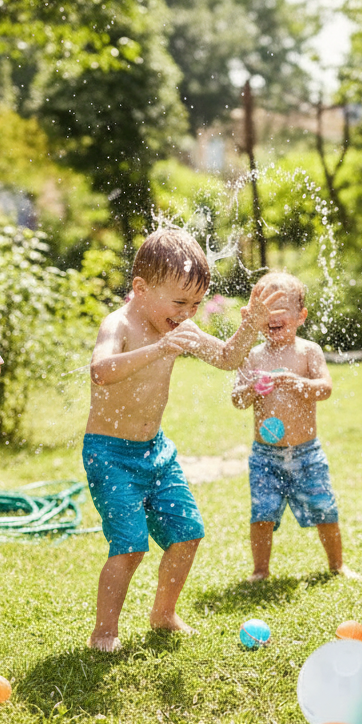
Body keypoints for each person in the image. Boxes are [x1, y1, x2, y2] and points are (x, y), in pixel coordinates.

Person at [83, 228, 284, 651]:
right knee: (130, 544)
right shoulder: (118, 324)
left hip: (155, 450)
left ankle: (163, 613)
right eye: (179, 303)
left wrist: (249, 326)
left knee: (187, 533)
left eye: (195, 304)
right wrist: (159, 349)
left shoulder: (180, 328)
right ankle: (104, 631)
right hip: (110, 453)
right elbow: (101, 370)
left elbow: (229, 358)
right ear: (140, 288)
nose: (188, 314)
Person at [231, 271, 356, 582]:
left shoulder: (308, 351)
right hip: (265, 456)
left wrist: (301, 384)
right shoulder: (253, 355)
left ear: (301, 316)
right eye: (264, 309)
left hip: (306, 453)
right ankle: (260, 570)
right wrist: (249, 391)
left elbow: (325, 388)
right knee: (262, 515)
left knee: (325, 510)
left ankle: (337, 565)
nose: (272, 316)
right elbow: (237, 399)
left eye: (280, 308)